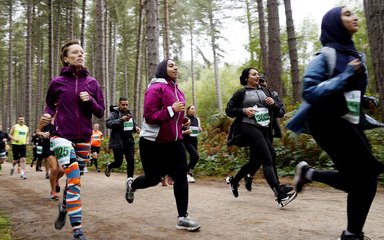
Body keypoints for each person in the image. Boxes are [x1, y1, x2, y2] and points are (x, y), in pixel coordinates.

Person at [287, 7, 384, 240]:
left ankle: (310, 175)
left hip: (349, 120)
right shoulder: (326, 56)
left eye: (354, 13)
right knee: (368, 173)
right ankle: (352, 234)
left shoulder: (355, 55)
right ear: (334, 23)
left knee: (364, 179)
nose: (355, 17)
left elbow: (349, 92)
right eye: (347, 14)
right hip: (325, 121)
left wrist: (365, 100)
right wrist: (345, 76)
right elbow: (309, 91)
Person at [40, 39, 105, 240]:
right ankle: (78, 230)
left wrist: (90, 100)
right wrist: (47, 115)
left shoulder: (92, 83)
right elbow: (50, 104)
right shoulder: (57, 82)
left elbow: (100, 112)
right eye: (75, 52)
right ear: (66, 58)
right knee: (74, 179)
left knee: (75, 178)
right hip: (61, 137)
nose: (80, 55)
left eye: (82, 52)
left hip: (84, 138)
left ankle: (65, 206)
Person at [125, 59, 201, 231]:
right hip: (153, 143)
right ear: (162, 69)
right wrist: (172, 110)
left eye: (176, 65)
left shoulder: (178, 91)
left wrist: (182, 123)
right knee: (153, 179)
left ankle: (183, 217)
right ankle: (133, 185)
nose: (175, 67)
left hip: (175, 142)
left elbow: (173, 118)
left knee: (180, 175)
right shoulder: (154, 88)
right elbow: (150, 116)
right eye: (171, 65)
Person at [225, 67, 297, 208]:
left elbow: (278, 112)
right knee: (267, 158)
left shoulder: (265, 91)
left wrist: (273, 104)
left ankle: (235, 181)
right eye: (254, 74)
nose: (257, 76)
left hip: (264, 129)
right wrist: (244, 111)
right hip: (249, 127)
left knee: (257, 160)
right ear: (246, 78)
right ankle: (280, 195)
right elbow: (229, 110)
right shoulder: (241, 93)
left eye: (258, 74)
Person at [243, 74, 293, 194]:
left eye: (262, 81)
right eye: (258, 80)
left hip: (268, 131)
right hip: (255, 131)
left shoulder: (272, 94)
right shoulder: (251, 96)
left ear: (266, 82)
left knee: (263, 158)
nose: (260, 83)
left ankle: (247, 177)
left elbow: (281, 112)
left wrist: (273, 104)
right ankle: (276, 187)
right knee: (261, 159)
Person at [105, 97, 140, 180]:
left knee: (131, 161)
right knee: (118, 163)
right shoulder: (114, 113)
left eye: (126, 105)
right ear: (119, 104)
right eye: (123, 104)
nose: (125, 106)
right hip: (118, 142)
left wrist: (136, 128)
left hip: (129, 141)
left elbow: (132, 125)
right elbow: (108, 124)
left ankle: (130, 181)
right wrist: (120, 120)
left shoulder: (129, 113)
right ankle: (110, 166)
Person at [36, 117, 64, 200]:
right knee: (54, 169)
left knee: (62, 171)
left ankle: (55, 180)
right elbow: (37, 132)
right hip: (48, 147)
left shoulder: (63, 118)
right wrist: (42, 134)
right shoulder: (45, 119)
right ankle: (53, 192)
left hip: (59, 147)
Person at [182, 105, 202, 183]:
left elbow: (198, 129)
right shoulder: (185, 119)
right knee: (195, 155)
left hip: (194, 140)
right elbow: (180, 129)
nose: (194, 110)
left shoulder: (197, 119)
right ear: (188, 110)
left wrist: (200, 129)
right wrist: (186, 132)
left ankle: (188, 172)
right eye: (192, 109)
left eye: (194, 109)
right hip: (186, 141)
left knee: (195, 157)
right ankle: (187, 172)